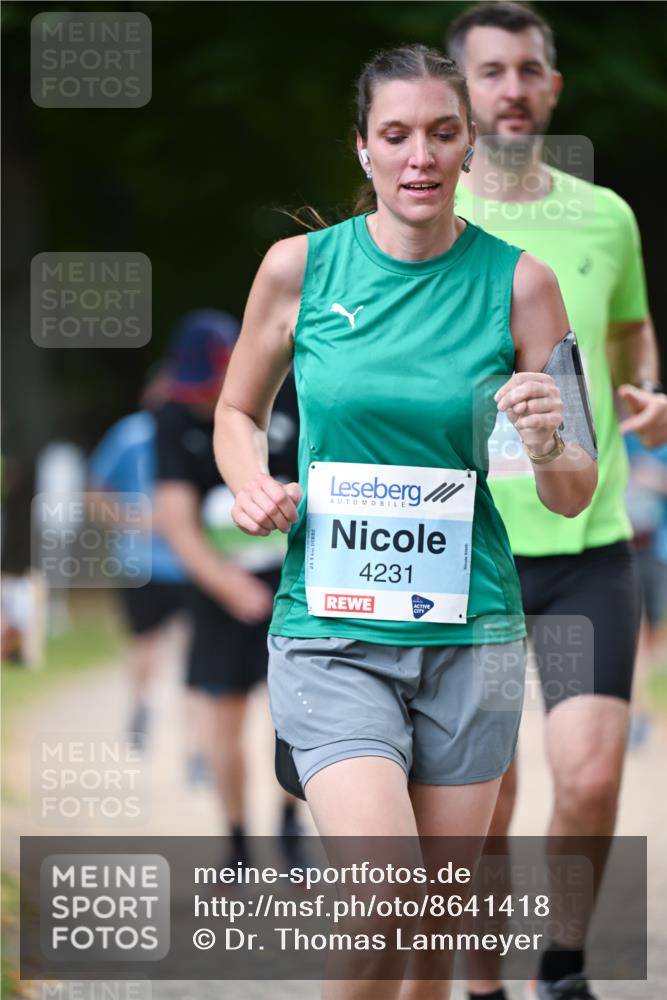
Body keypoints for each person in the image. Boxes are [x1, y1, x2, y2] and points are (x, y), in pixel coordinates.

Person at [214, 44, 596, 1000]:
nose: (418, 156)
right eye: (396, 136)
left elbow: (571, 490)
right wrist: (249, 483)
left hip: (470, 634)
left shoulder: (523, 285)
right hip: (332, 631)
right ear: (363, 149)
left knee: (427, 925)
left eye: (439, 133)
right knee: (385, 897)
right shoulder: (297, 270)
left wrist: (549, 440)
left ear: (468, 146)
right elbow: (233, 413)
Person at [445, 3, 667, 998]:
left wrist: (648, 398)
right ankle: (484, 978)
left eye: (528, 69)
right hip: (466, 550)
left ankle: (562, 967)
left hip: (587, 538)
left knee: (586, 774)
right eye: (489, 71)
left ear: (552, 89)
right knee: (485, 796)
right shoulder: (423, 208)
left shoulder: (604, 213)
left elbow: (630, 335)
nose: (511, 88)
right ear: (460, 90)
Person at [153, 309, 304, 864]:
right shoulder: (172, 416)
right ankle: (237, 842)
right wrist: (225, 585)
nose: (199, 402)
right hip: (221, 586)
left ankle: (291, 830)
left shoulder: (289, 391)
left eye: (206, 390)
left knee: (297, 715)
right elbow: (175, 516)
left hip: (293, 580)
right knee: (223, 717)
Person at [89, 375, 189, 749]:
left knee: (149, 643)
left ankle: (157, 716)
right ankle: (164, 719)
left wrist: (127, 518)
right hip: (156, 560)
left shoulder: (130, 432)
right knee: (169, 645)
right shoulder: (140, 434)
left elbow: (95, 489)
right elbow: (96, 491)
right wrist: (133, 519)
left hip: (171, 561)